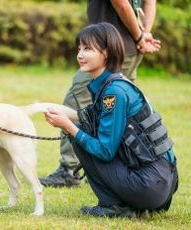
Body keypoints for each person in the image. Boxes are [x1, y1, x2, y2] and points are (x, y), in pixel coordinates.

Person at [43, 23, 178, 218]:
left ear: (106, 52)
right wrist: (62, 114)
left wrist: (69, 127)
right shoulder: (115, 83)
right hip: (161, 183)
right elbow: (94, 118)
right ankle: (122, 202)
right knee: (84, 129)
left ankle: (113, 206)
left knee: (81, 136)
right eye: (79, 49)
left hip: (149, 186)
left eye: (88, 48)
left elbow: (105, 151)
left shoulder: (113, 93)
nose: (80, 54)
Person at [39, 0, 161, 187]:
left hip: (107, 49)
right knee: (116, 112)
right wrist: (144, 34)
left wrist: (139, 37)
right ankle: (111, 166)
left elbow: (121, 4)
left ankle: (69, 170)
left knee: (77, 102)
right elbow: (150, 2)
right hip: (130, 48)